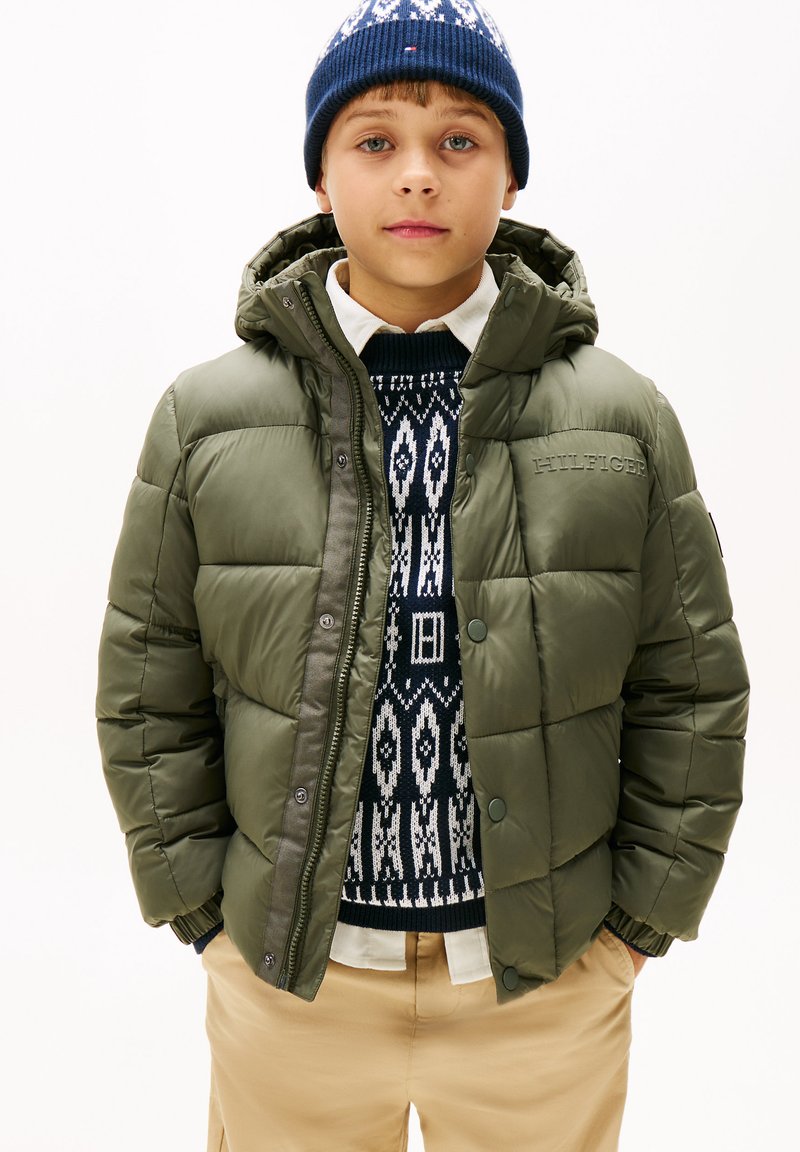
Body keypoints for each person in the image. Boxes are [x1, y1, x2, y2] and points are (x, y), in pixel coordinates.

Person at [96, 2, 749, 1149]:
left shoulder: (618, 416)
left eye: (457, 139)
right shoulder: (206, 419)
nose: (415, 174)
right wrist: (203, 915)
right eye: (373, 139)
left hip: (541, 986)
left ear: (509, 174)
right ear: (320, 175)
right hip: (290, 984)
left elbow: (689, 687)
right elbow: (149, 683)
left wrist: (635, 930)